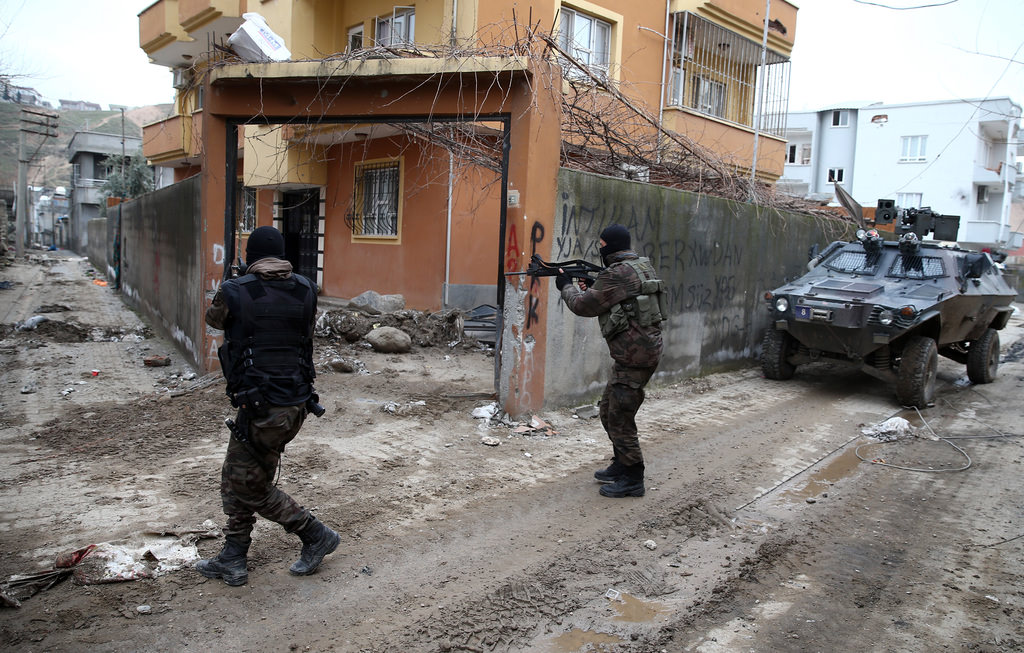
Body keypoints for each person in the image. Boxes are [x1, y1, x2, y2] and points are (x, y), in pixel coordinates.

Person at [197, 225, 338, 586]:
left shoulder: (235, 291)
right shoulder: (306, 288)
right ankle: (233, 557)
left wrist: (232, 282)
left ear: (251, 256)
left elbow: (214, 321)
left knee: (246, 484)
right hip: (295, 404)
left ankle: (314, 533)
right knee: (240, 474)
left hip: (263, 408)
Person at [556, 224, 665, 498]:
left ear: (610, 247)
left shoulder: (617, 273)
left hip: (635, 357)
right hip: (636, 353)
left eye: (602, 245)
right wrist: (596, 287)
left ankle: (633, 478)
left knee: (619, 417)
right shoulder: (638, 266)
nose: (600, 250)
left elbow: (583, 307)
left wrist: (565, 286)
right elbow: (623, 297)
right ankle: (621, 464)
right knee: (607, 409)